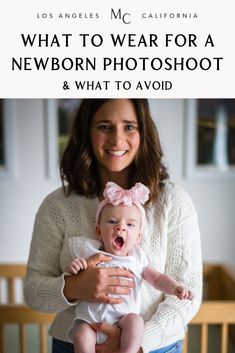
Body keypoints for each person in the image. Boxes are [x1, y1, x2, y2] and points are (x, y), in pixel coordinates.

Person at [24, 99, 202, 353]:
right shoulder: (57, 206)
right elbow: (33, 290)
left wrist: (137, 341)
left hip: (154, 347)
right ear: (87, 132)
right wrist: (74, 286)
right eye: (105, 126)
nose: (117, 140)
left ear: (144, 133)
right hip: (73, 342)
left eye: (129, 126)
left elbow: (188, 292)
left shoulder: (174, 203)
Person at [66, 181, 193, 353]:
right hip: (90, 324)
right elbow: (73, 273)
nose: (120, 227)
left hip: (123, 322)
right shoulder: (89, 251)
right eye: (112, 221)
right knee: (81, 334)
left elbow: (157, 278)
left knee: (136, 321)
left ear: (138, 236)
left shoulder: (137, 258)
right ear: (98, 231)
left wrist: (175, 287)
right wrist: (76, 266)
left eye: (130, 225)